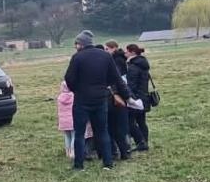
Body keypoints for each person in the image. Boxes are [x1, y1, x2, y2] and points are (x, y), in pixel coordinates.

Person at [62, 31, 125, 170]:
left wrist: (76, 90)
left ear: (81, 44)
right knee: (102, 131)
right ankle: (107, 163)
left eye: (76, 43)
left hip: (82, 100)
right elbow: (115, 76)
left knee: (79, 133)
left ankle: (79, 165)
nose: (75, 46)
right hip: (101, 99)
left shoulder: (77, 57)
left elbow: (69, 78)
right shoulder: (105, 56)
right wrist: (103, 86)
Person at [103, 41, 134, 161]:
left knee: (110, 128)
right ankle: (125, 151)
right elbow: (121, 84)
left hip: (107, 100)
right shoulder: (116, 67)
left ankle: (113, 152)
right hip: (118, 100)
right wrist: (128, 98)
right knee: (120, 128)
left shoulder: (103, 69)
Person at [124, 44, 153, 151]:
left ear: (132, 52)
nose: (125, 54)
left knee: (129, 122)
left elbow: (132, 85)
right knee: (141, 121)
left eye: (126, 52)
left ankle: (140, 141)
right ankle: (145, 142)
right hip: (144, 96)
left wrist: (130, 97)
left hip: (136, 98)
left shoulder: (133, 67)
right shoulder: (143, 64)